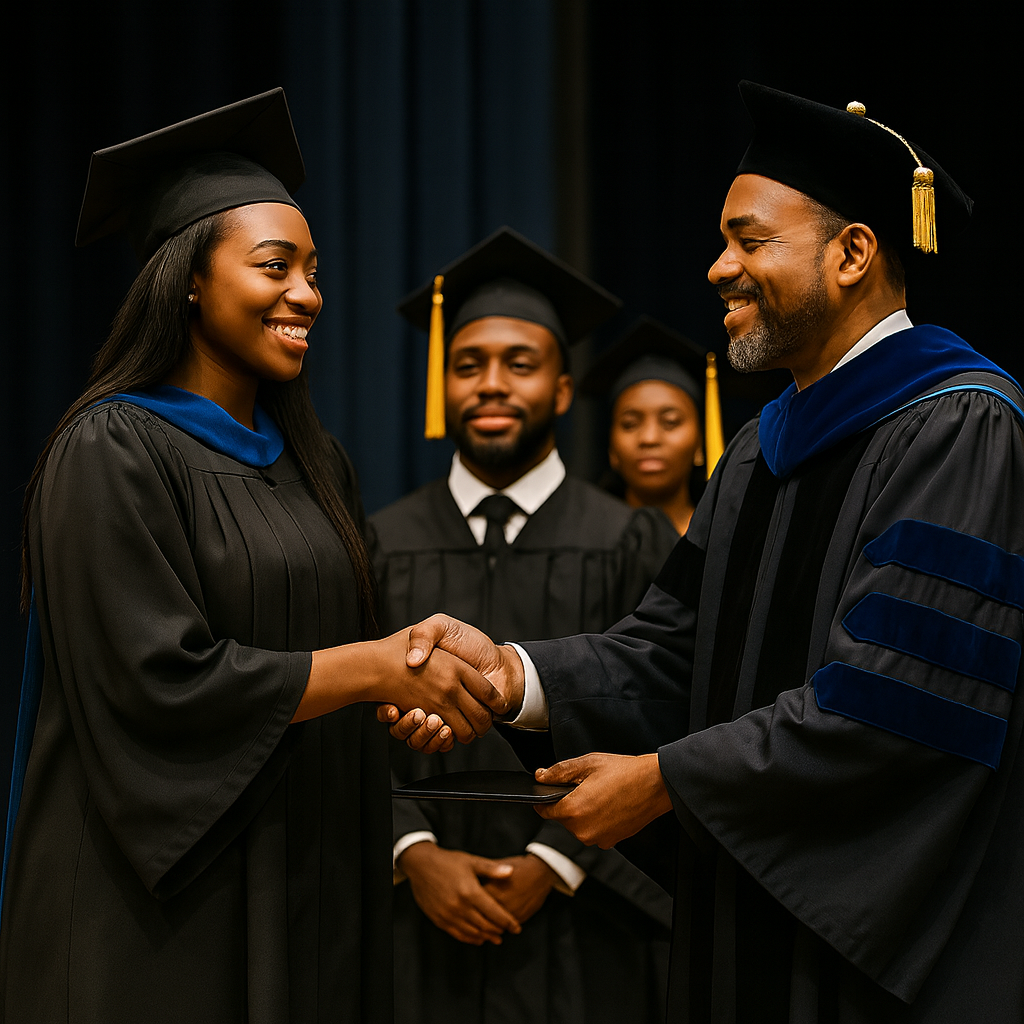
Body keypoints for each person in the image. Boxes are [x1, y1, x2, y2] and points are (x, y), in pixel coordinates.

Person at [387, 82, 1024, 1022]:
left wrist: (663, 781)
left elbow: (899, 707)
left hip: (880, 958)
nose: (718, 267)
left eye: (749, 240)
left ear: (852, 253)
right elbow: (667, 649)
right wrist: (513, 676)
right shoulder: (761, 449)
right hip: (743, 929)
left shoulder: (957, 427)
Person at [0, 89, 499, 1023]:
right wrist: (368, 667)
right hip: (161, 910)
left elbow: (334, 651)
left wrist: (403, 690)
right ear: (190, 278)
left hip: (306, 876)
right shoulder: (112, 450)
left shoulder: (314, 461)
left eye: (314, 270)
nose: (307, 293)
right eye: (276, 266)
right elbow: (152, 684)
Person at [371, 227, 677, 1022]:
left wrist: (557, 857)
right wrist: (413, 853)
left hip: (594, 928)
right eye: (468, 366)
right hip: (414, 931)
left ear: (565, 389)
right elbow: (340, 725)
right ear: (445, 387)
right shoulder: (377, 542)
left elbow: (663, 708)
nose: (492, 385)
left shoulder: (628, 540)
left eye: (521, 363)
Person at [579, 316, 714, 535]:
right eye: (630, 424)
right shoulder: (585, 539)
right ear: (611, 448)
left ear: (699, 443)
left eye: (670, 422)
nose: (649, 438)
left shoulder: (723, 536)